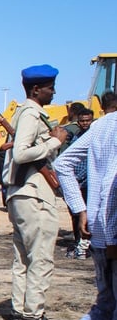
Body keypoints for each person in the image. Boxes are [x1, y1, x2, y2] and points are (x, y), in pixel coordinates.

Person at [2, 64, 67, 320]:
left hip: (22, 194)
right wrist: (53, 142)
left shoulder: (24, 113)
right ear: (36, 89)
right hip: (34, 195)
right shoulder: (31, 114)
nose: (53, 92)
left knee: (23, 261)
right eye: (50, 88)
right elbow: (22, 152)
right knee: (40, 260)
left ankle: (20, 316)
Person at [55, 111, 117, 320]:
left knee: (105, 306)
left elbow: (62, 163)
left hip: (101, 234)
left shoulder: (102, 125)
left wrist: (82, 209)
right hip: (110, 236)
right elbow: (113, 182)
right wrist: (113, 237)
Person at [59, 107, 94, 259]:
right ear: (78, 122)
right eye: (82, 121)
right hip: (76, 182)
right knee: (76, 214)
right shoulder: (75, 138)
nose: (85, 123)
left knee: (88, 215)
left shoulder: (94, 137)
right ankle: (78, 240)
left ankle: (87, 244)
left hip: (89, 184)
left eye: (88, 120)